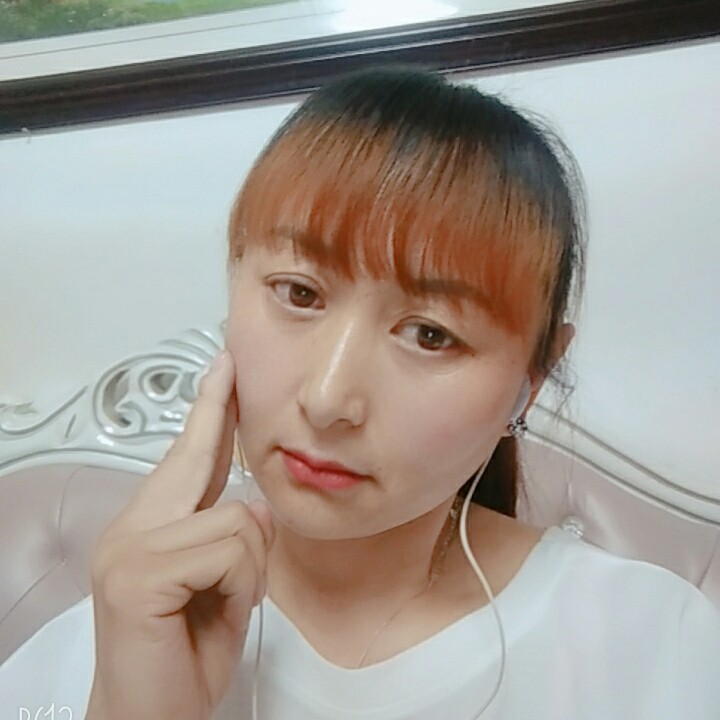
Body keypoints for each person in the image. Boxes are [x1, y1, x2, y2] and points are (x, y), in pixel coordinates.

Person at [1, 66, 719, 720]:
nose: (327, 399)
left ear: (530, 380)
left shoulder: (653, 643)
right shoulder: (119, 633)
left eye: (431, 335)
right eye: (299, 293)